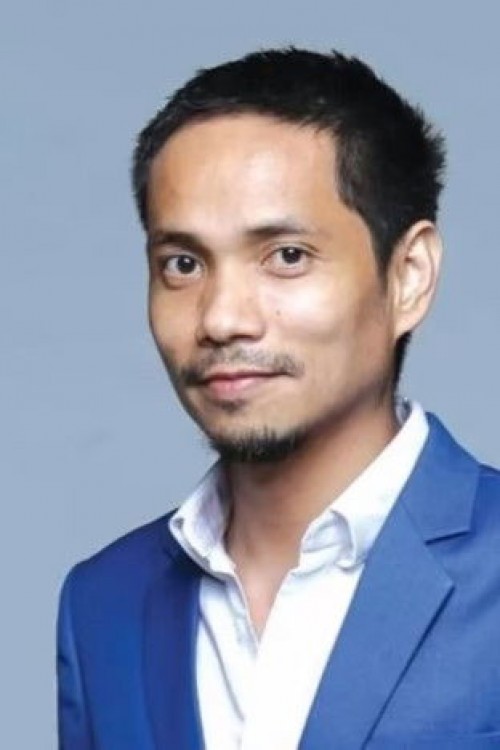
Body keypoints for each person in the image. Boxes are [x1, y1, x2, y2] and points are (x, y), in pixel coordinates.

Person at [57, 48, 500, 749]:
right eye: (182, 264)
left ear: (408, 276)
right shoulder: (102, 605)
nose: (222, 318)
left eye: (287, 256)